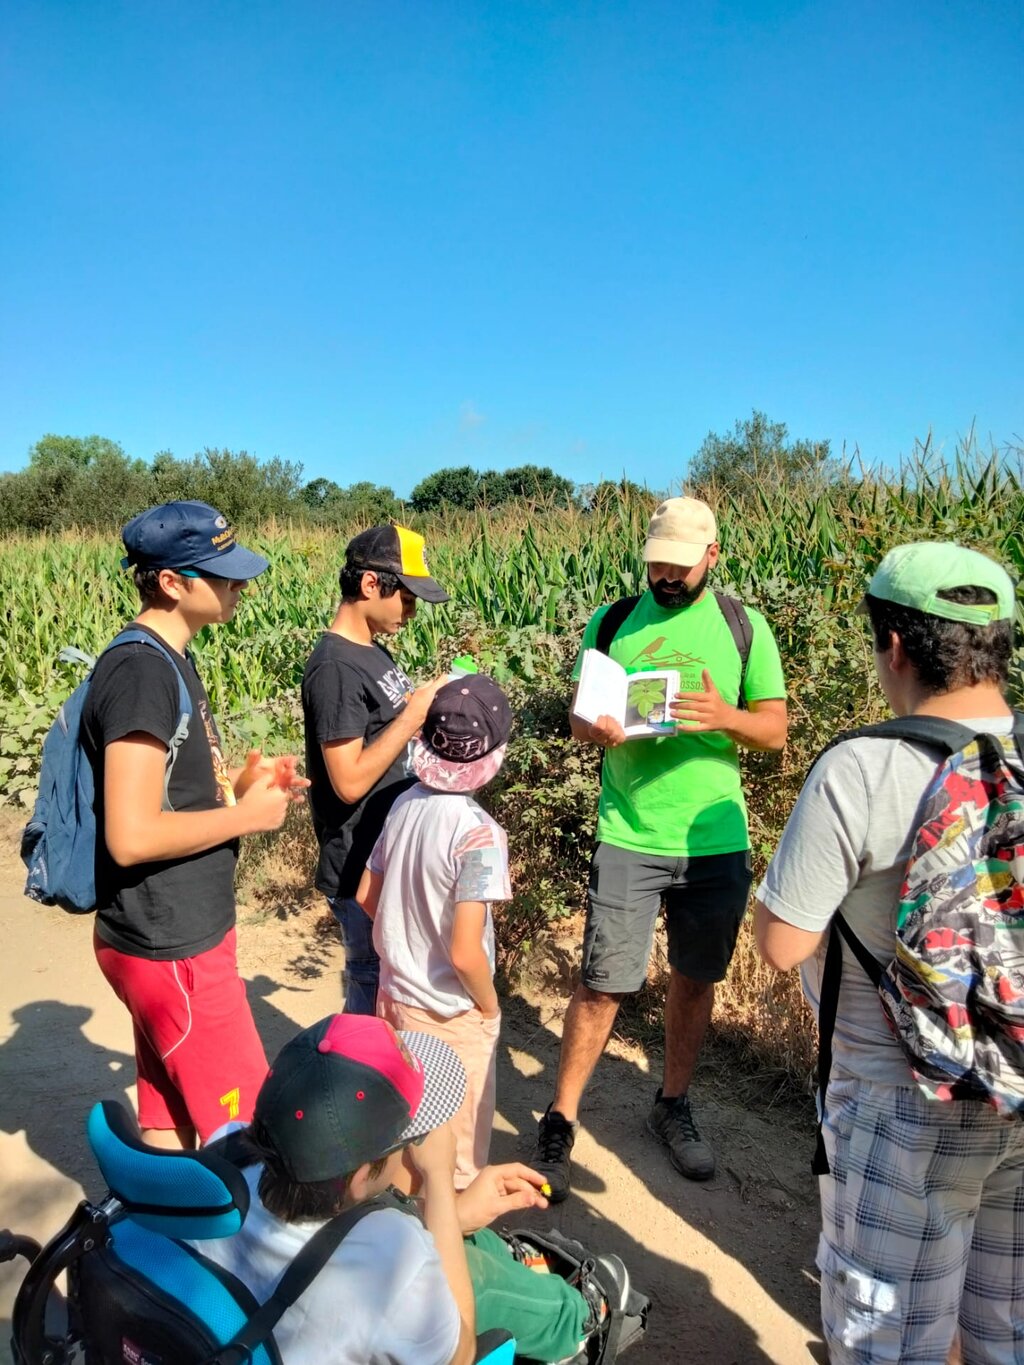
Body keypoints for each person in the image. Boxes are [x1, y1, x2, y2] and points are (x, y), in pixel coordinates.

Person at [753, 542, 1023, 1365]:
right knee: (1005, 1324)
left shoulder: (862, 767)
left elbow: (781, 942)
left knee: (889, 1333)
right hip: (1018, 1080)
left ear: (896, 646)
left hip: (897, 1092)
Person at [532, 496, 788, 1198]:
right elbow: (580, 718)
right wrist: (598, 728)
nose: (666, 576)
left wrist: (726, 716)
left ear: (712, 555)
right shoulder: (612, 621)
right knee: (603, 980)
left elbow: (775, 729)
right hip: (629, 831)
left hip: (713, 839)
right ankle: (561, 1111)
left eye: (679, 565)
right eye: (656, 564)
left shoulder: (744, 627)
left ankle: (672, 1104)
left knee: (695, 978)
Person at [201, 1013, 629, 1365]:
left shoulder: (225, 1147)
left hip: (237, 1326)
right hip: (400, 1322)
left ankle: (516, 1264)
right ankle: (580, 1318)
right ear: (361, 1175)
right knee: (475, 1281)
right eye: (411, 1138)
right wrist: (440, 1184)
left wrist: (456, 1214)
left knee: (463, 1243)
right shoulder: (391, 1255)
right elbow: (460, 1354)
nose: (423, 1144)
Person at [82, 501, 309, 1149]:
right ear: (172, 583)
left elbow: (165, 797)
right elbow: (130, 832)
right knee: (250, 1138)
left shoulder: (168, 657)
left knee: (171, 1117)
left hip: (170, 932)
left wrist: (239, 789)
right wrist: (244, 817)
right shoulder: (141, 671)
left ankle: (157, 1237)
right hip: (174, 942)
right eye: (222, 573)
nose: (240, 584)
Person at [357, 673, 513, 1189]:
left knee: (404, 1131)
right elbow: (466, 952)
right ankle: (452, 1248)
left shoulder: (403, 804)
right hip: (451, 1013)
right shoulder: (480, 835)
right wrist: (488, 1009)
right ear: (492, 755)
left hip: (394, 997)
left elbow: (365, 895)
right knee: (454, 1159)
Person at [301, 524, 449, 1014]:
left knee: (386, 987)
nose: (410, 613)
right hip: (359, 862)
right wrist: (412, 716)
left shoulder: (368, 652)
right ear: (370, 586)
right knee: (371, 991)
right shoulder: (336, 667)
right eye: (406, 599)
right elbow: (347, 782)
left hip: (383, 856)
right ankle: (353, 1085)